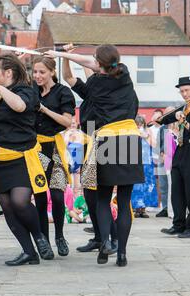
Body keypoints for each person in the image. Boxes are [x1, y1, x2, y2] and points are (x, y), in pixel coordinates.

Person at [47, 44, 144, 267]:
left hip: (107, 139)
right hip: (129, 137)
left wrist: (61, 54)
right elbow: (91, 63)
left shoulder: (95, 84)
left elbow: (79, 71)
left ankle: (106, 242)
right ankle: (122, 254)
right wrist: (66, 55)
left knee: (102, 198)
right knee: (124, 199)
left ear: (99, 64)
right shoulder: (124, 74)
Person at [0, 53, 49, 266]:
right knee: (8, 208)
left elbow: (19, 106)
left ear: (8, 72)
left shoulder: (26, 92)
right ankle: (28, 251)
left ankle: (39, 237)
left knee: (20, 202)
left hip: (21, 157)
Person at [59, 45, 118, 256]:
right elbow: (68, 76)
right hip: (89, 136)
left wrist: (66, 54)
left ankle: (112, 238)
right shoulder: (92, 88)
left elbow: (88, 68)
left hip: (102, 137)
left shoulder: (107, 87)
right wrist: (65, 57)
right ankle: (100, 236)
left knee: (100, 193)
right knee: (91, 193)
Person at [31, 56, 75, 259]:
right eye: (35, 72)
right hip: (36, 149)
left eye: (42, 72)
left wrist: (44, 109)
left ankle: (59, 236)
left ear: (52, 72)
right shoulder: (31, 90)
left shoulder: (63, 92)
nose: (37, 76)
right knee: (40, 196)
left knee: (57, 195)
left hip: (54, 147)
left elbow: (67, 121)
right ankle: (44, 242)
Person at [159, 76, 190, 238]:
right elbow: (165, 120)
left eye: (187, 90)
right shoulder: (185, 107)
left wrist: (184, 121)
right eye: (182, 91)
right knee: (177, 190)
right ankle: (178, 224)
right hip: (181, 150)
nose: (184, 94)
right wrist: (167, 116)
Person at [132, 115, 158, 218]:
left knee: (147, 185)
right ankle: (137, 208)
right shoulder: (132, 132)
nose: (139, 126)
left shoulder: (149, 132)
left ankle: (144, 209)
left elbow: (155, 145)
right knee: (136, 186)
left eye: (141, 124)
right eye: (137, 125)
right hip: (135, 162)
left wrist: (146, 136)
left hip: (147, 162)